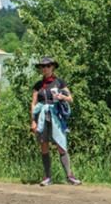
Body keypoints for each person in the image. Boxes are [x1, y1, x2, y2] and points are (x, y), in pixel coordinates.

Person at [29, 56, 81, 186]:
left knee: (61, 145)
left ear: (52, 67)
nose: (45, 69)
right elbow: (33, 104)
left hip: (56, 117)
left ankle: (69, 176)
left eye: (47, 66)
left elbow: (71, 99)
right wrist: (33, 121)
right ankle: (47, 177)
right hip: (42, 117)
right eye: (42, 66)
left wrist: (61, 96)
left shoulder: (59, 83)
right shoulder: (38, 85)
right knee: (44, 145)